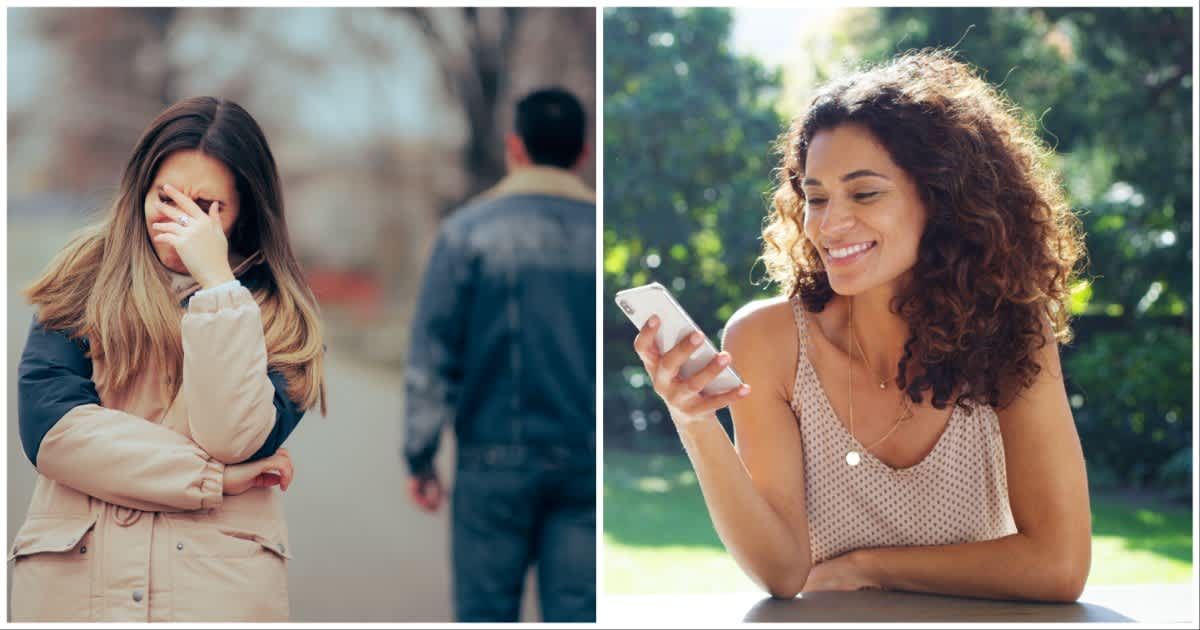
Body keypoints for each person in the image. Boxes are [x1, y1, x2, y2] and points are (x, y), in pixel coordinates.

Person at [631, 50, 1092, 602]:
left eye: (865, 192)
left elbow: (1060, 566)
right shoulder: (766, 342)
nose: (830, 223)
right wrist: (694, 420)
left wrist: (869, 567)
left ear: (940, 197)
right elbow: (781, 572)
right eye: (816, 196)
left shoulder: (1011, 332)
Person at [12, 96, 327, 622]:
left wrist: (219, 288)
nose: (181, 221)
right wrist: (213, 481)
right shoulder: (80, 279)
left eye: (206, 208)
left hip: (212, 592)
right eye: (167, 198)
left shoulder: (279, 316)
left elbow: (233, 438)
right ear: (141, 188)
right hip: (75, 589)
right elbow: (53, 433)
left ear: (243, 212)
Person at [402, 87, 596, 622]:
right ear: (583, 153)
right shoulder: (601, 233)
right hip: (586, 463)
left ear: (515, 147)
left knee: (485, 613)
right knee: (578, 613)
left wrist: (420, 454)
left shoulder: (466, 233)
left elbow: (432, 351)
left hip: (492, 462)